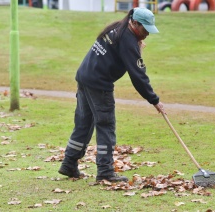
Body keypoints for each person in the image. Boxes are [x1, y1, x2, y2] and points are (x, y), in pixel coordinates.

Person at [58, 7, 165, 182]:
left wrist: (137, 48)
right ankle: (105, 171)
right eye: (145, 29)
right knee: (106, 125)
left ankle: (69, 164)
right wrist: (154, 100)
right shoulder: (128, 39)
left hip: (85, 77)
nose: (147, 34)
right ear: (135, 23)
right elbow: (138, 75)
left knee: (84, 123)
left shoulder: (117, 28)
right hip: (99, 84)